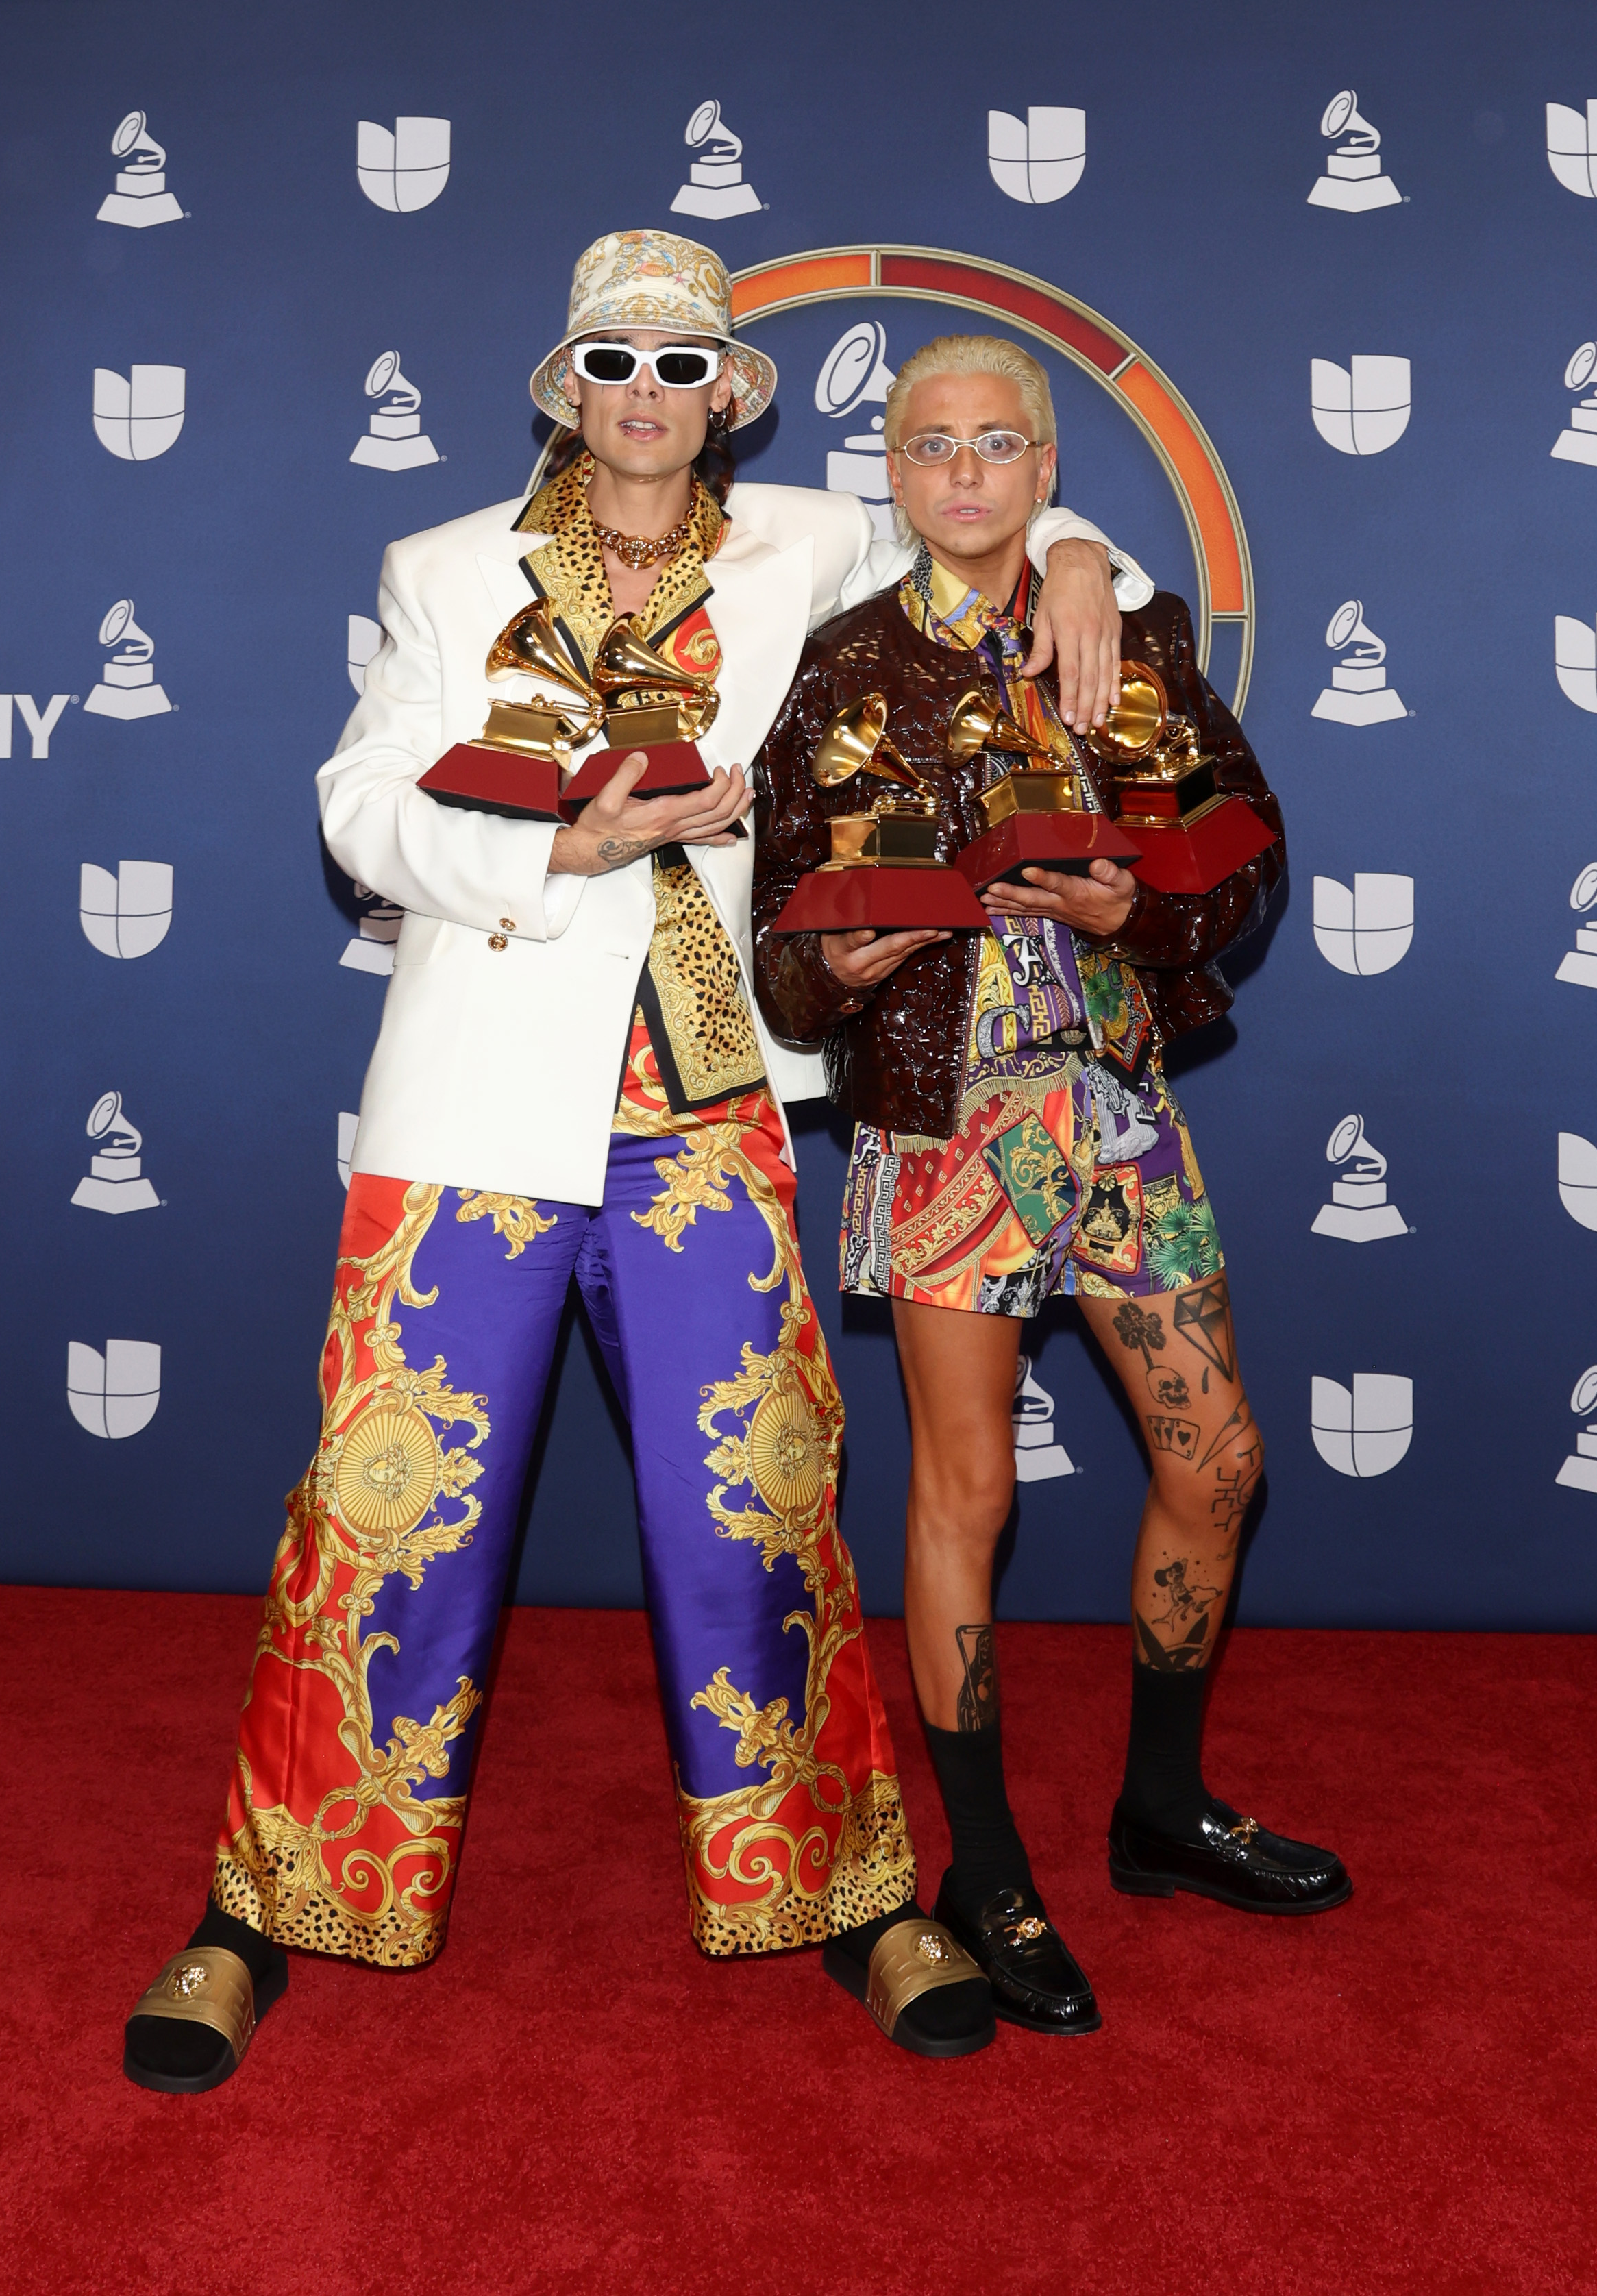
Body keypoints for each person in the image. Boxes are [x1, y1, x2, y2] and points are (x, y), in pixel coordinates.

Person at [123, 236, 1141, 2090]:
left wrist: (1079, 554)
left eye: (684, 365)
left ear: (730, 394)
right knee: (383, 1514)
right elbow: (358, 807)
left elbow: (981, 527)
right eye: (614, 361)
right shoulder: (444, 568)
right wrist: (557, 855)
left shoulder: (808, 548)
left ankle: (838, 1889)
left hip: (704, 1108)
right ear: (566, 385)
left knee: (758, 1504)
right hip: (477, 1099)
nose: (648, 394)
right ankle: (261, 1906)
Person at [752, 333, 1350, 2040]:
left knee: (1219, 1456)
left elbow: (1247, 849)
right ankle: (988, 1867)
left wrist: (1133, 912)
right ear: (891, 468)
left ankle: (1161, 1805)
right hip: (942, 1117)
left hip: (1118, 1102)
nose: (963, 471)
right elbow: (777, 937)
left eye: (996, 442)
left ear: (1046, 462)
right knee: (969, 1492)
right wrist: (835, 969)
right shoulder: (839, 666)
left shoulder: (1133, 632)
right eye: (930, 443)